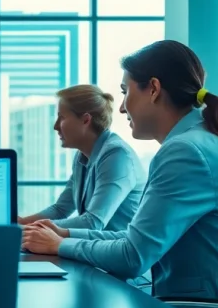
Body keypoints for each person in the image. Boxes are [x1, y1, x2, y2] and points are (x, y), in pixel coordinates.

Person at [22, 40, 218, 308]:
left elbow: (132, 256)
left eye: (126, 91)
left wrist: (59, 246)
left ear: (153, 89)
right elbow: (135, 238)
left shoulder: (187, 152)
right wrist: (65, 237)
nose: (123, 106)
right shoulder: (201, 142)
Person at [19, 85, 143, 232]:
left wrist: (30, 228)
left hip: (117, 251)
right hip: (94, 249)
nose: (56, 126)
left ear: (85, 120)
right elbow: (61, 209)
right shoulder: (82, 156)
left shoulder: (117, 155)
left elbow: (93, 222)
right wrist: (20, 222)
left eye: (62, 117)